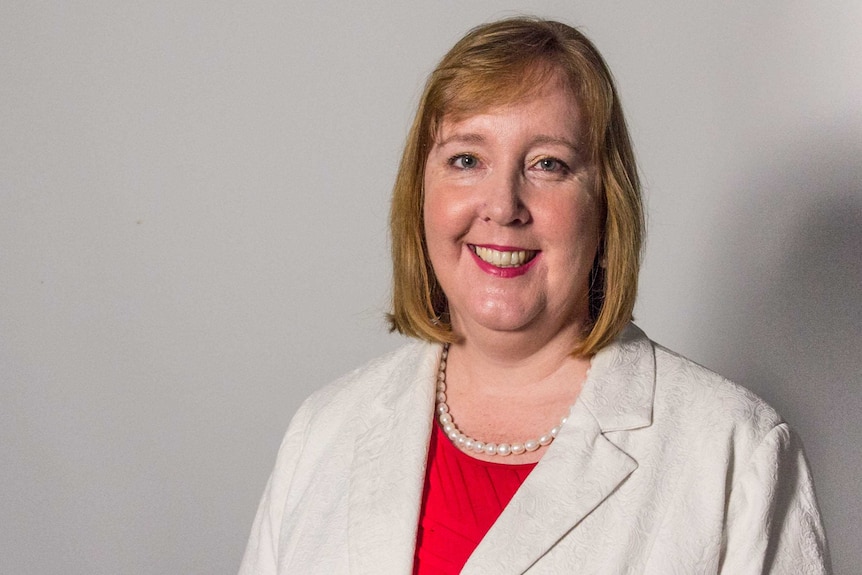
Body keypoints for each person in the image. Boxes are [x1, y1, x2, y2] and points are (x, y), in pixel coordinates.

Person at [239, 17, 830, 574]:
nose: (502, 206)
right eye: (466, 159)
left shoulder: (734, 450)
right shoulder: (324, 430)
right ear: (421, 192)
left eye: (548, 164)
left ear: (605, 203)